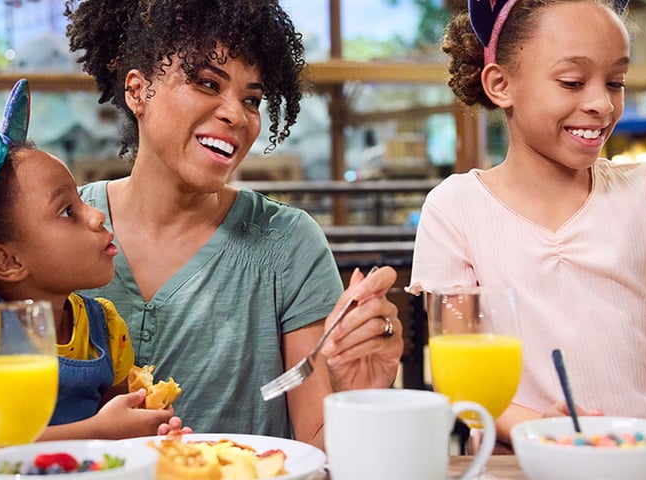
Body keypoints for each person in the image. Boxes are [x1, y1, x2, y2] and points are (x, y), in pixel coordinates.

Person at [63, 0, 405, 448]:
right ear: (137, 90)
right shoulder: (60, 229)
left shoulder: (289, 245)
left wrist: (357, 394)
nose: (236, 115)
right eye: (207, 83)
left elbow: (317, 448)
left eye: (251, 100)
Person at [408, 0, 646, 449]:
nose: (602, 103)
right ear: (501, 84)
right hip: (518, 461)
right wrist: (541, 428)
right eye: (572, 82)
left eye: (616, 82)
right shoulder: (455, 208)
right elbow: (460, 380)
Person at [0, 80, 182, 480]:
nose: (97, 216)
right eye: (68, 211)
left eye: (82, 200)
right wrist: (95, 433)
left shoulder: (104, 328)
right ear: (8, 261)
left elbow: (119, 442)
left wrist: (147, 432)